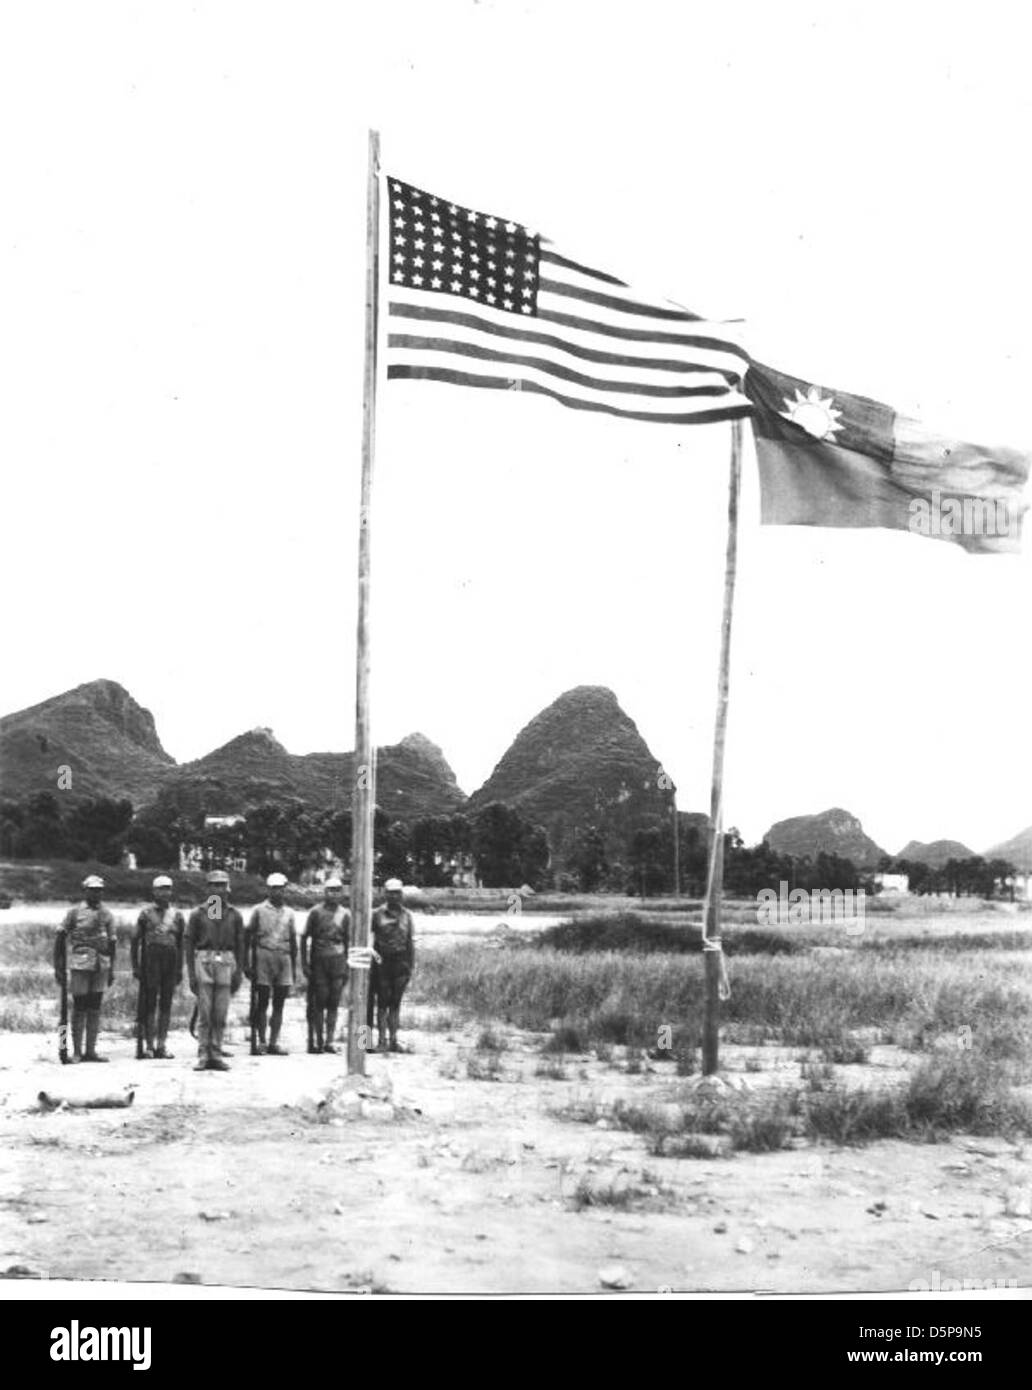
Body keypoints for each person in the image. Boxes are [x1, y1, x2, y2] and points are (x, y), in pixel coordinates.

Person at [53, 874, 117, 1063]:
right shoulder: (74, 912)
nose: (96, 893)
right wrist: (58, 967)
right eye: (92, 890)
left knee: (95, 1007)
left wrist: (112, 969)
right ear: (85, 890)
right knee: (79, 1007)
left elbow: (112, 943)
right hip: (80, 964)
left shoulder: (107, 914)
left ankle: (91, 1051)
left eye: (99, 890)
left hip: (101, 965)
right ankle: (76, 1051)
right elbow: (60, 937)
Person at [186, 870, 245, 1072]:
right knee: (205, 1012)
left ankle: (216, 1053)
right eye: (214, 885)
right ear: (208, 888)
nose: (219, 890)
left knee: (220, 1013)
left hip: (226, 961)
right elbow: (189, 943)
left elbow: (240, 944)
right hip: (204, 959)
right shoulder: (198, 914)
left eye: (222, 885)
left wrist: (239, 972)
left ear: (228, 888)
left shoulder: (234, 915)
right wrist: (192, 974)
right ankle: (203, 1054)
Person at [131, 875, 185, 1059]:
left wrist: (180, 968)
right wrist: (135, 966)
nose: (165, 892)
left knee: (166, 1004)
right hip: (151, 960)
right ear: (154, 891)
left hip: (170, 960)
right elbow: (135, 940)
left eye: (168, 888)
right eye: (161, 889)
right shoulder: (145, 913)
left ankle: (162, 1044)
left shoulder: (177, 915)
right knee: (149, 1004)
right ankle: (149, 1045)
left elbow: (181, 943)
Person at [246, 872, 297, 1056]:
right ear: (268, 889)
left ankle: (274, 1042)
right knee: (262, 1001)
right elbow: (248, 935)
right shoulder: (258, 910)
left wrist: (295, 964)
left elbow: (293, 940)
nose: (277, 892)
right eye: (274, 888)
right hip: (263, 955)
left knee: (279, 1003)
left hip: (283, 957)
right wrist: (247, 963)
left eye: (280, 888)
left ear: (285, 889)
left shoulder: (290, 913)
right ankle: (261, 1040)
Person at [302, 876, 350, 1054]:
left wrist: (348, 966)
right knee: (319, 1001)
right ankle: (317, 1039)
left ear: (341, 893)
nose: (333, 894)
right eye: (330, 890)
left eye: (337, 890)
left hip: (338, 962)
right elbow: (304, 937)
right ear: (324, 892)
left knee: (334, 1002)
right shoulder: (316, 912)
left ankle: (330, 1040)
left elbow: (349, 941)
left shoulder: (345, 914)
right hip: (319, 961)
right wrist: (304, 964)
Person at [366, 878, 415, 1053]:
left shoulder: (407, 915)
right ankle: (380, 1041)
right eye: (391, 892)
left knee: (395, 1003)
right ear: (385, 894)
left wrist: (410, 966)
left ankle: (393, 1040)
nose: (394, 896)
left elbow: (410, 942)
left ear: (401, 894)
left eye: (397, 892)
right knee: (382, 1003)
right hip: (382, 963)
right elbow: (368, 938)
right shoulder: (377, 914)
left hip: (401, 964)